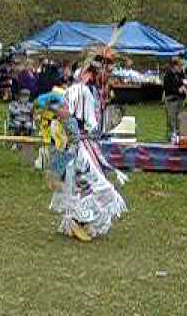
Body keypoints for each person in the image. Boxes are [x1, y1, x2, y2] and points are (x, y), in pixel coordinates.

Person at [46, 48, 128, 242]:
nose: (109, 76)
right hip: (79, 146)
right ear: (97, 71)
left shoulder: (91, 90)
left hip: (86, 144)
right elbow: (65, 116)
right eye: (107, 71)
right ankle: (78, 219)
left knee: (81, 185)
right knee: (95, 185)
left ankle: (79, 221)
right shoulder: (79, 90)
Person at [163, 57, 187, 139]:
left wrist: (185, 88)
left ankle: (179, 137)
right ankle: (170, 137)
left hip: (180, 100)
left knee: (179, 120)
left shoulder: (181, 74)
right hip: (171, 100)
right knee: (171, 120)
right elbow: (168, 88)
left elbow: (184, 83)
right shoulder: (168, 75)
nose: (181, 68)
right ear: (174, 66)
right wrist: (178, 90)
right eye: (180, 66)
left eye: (181, 66)